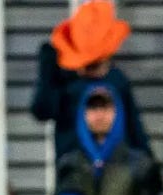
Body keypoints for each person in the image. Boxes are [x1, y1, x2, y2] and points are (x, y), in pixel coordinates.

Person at [30, 1, 151, 161]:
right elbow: (42, 111)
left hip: (117, 175)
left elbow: (135, 130)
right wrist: (49, 68)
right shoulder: (66, 82)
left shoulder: (117, 81)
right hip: (74, 175)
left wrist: (149, 170)